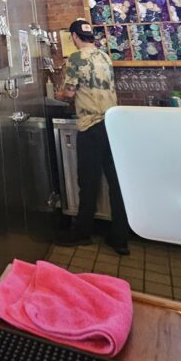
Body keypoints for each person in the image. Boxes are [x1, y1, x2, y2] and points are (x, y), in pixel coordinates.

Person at [55, 18, 130, 255]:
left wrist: (58, 93)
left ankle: (82, 232)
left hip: (91, 125)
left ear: (75, 37)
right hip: (113, 124)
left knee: (87, 181)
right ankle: (119, 238)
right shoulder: (104, 56)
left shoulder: (76, 59)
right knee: (116, 182)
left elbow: (68, 93)